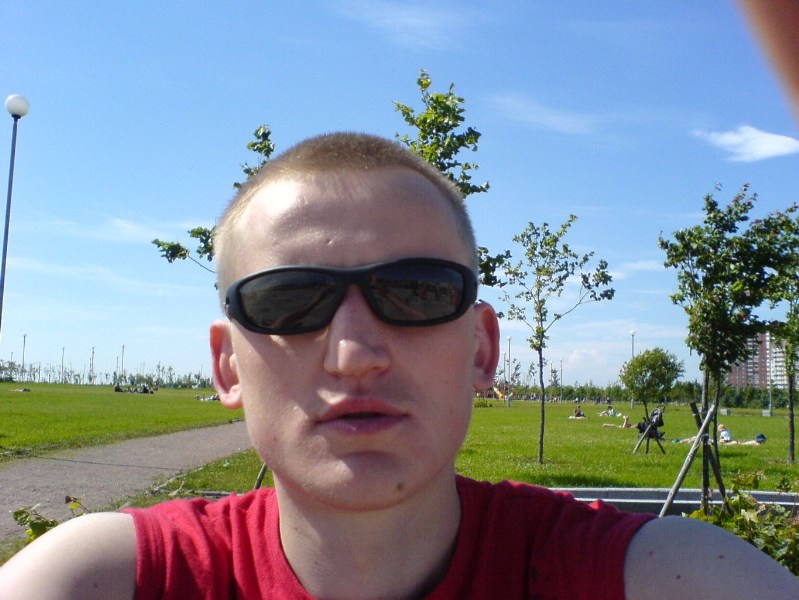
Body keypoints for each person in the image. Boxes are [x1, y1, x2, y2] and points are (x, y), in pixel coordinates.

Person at [1, 133, 797, 599]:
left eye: (416, 293)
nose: (354, 353)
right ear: (226, 365)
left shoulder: (644, 575)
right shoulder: (116, 579)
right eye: (288, 301)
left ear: (482, 350)